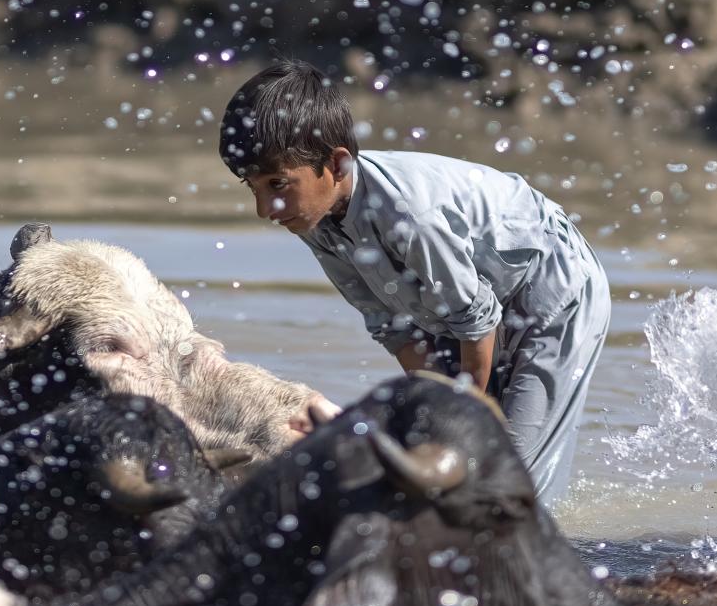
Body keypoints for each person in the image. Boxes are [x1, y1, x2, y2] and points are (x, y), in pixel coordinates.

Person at [219, 61, 609, 506]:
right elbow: (396, 328)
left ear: (338, 164)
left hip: (550, 289)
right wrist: (436, 424)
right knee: (443, 468)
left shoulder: (410, 217)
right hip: (467, 304)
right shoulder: (314, 218)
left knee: (506, 483)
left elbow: (475, 324)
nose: (265, 208)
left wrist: (459, 427)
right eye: (254, 189)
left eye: (277, 184)